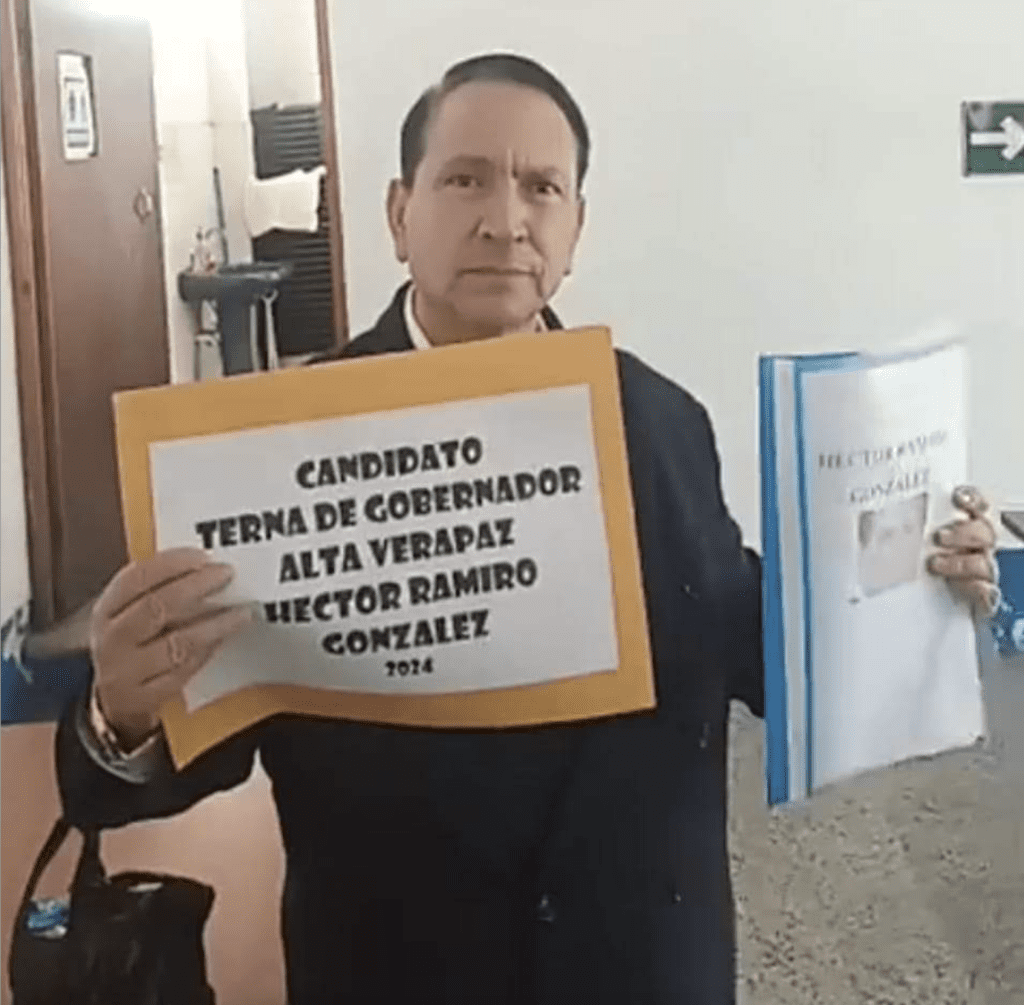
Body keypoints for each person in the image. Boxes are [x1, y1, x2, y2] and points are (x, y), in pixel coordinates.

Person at [48, 54, 1000, 1005]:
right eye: (465, 179)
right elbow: (166, 760)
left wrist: (913, 586)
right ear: (398, 214)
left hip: (642, 967)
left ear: (575, 227)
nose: (506, 220)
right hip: (399, 973)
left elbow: (736, 630)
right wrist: (120, 712)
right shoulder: (273, 445)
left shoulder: (660, 420)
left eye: (542, 187)